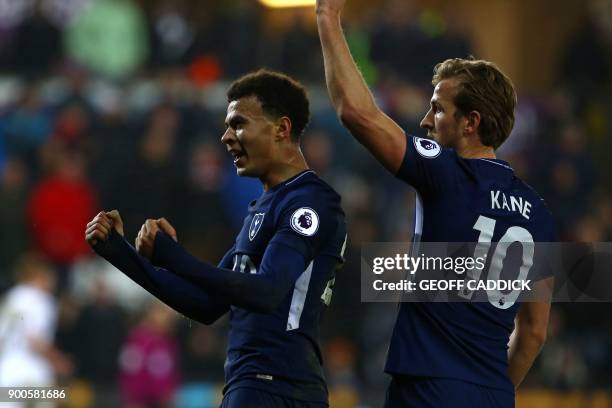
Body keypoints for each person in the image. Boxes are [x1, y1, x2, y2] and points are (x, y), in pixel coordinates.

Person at [315, 1, 554, 407]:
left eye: (438, 108)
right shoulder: (540, 213)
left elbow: (357, 113)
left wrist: (328, 18)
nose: (426, 120)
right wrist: (496, 391)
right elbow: (534, 332)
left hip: (428, 388)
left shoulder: (445, 174)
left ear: (470, 122)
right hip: (492, 394)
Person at [85, 70, 347, 408]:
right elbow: (205, 305)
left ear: (281, 128)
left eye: (238, 124)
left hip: (276, 386)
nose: (226, 136)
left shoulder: (309, 201)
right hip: (258, 384)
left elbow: (268, 291)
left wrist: (170, 255)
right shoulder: (264, 207)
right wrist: (119, 252)